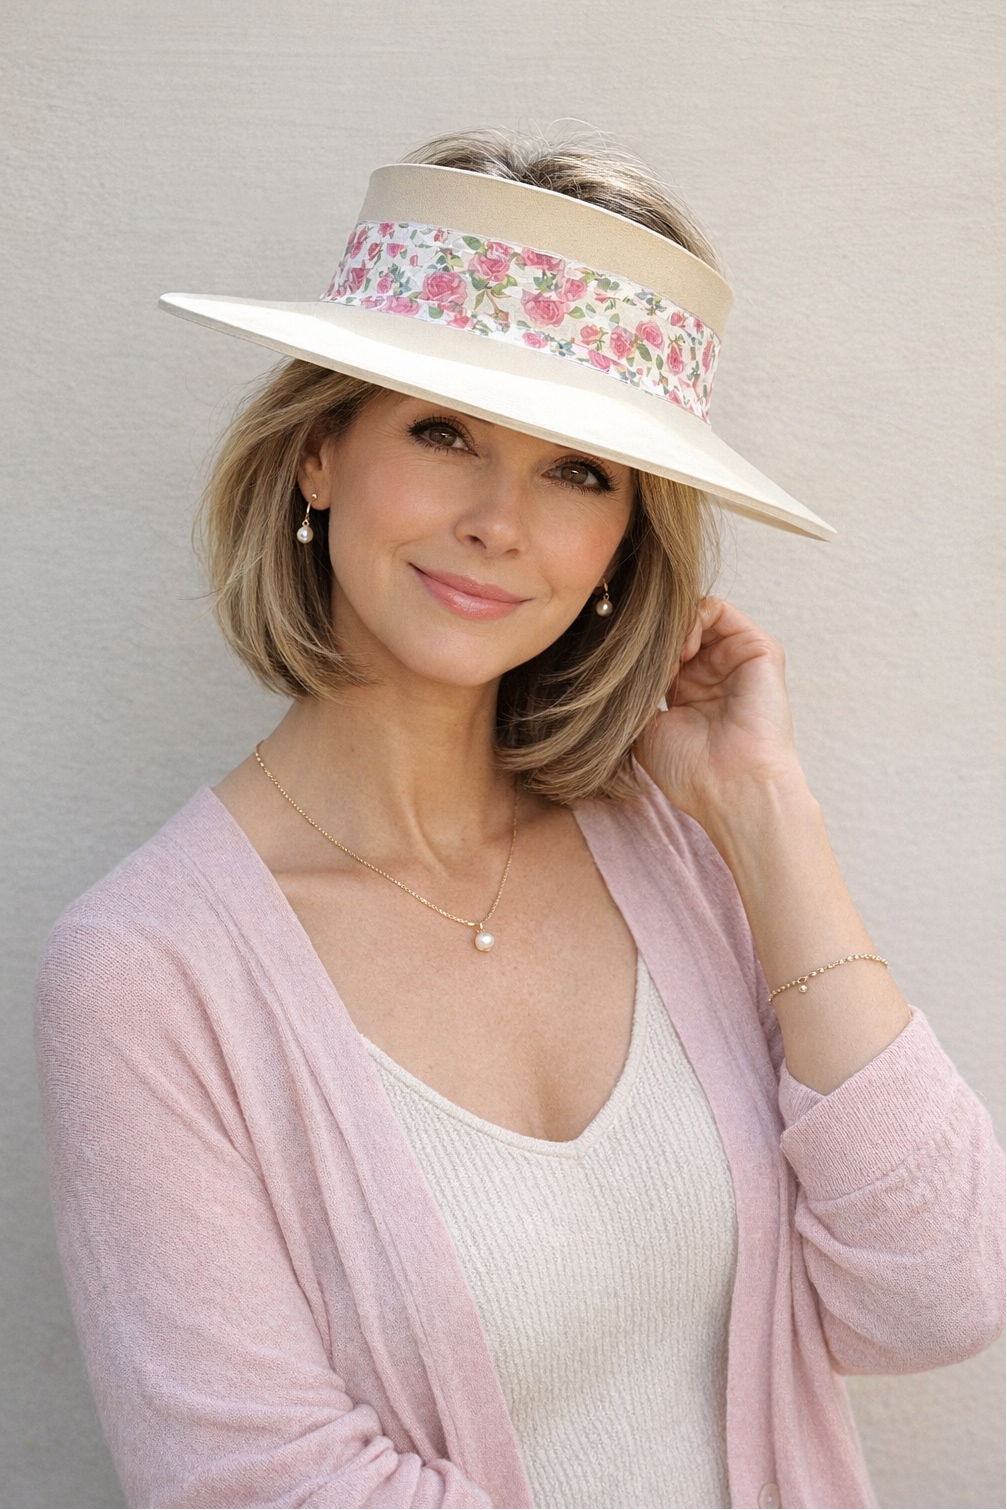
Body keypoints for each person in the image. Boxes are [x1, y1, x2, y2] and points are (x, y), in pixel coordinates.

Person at [35, 130, 1003, 1510]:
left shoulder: (666, 851)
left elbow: (935, 1292)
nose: (500, 519)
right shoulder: (144, 975)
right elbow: (255, 1483)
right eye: (444, 432)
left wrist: (767, 817)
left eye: (579, 470)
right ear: (319, 451)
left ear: (624, 540)